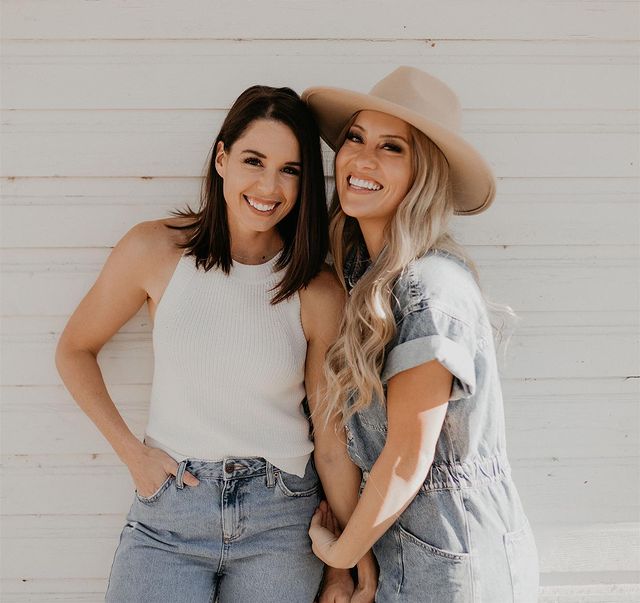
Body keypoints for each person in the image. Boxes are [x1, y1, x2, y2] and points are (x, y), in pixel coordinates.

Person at [55, 85, 375, 602]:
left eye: (290, 170)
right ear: (222, 158)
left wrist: (345, 565)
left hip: (281, 519)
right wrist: (133, 456)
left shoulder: (317, 291)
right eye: (254, 160)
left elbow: (332, 442)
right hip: (171, 511)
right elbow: (73, 350)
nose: (269, 186)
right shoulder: (154, 249)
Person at [303, 67, 539, 602]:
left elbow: (409, 457)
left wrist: (339, 554)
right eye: (355, 139)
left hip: (455, 559)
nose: (362, 160)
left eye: (392, 148)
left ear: (423, 175)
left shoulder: (428, 289)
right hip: (410, 547)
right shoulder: (363, 277)